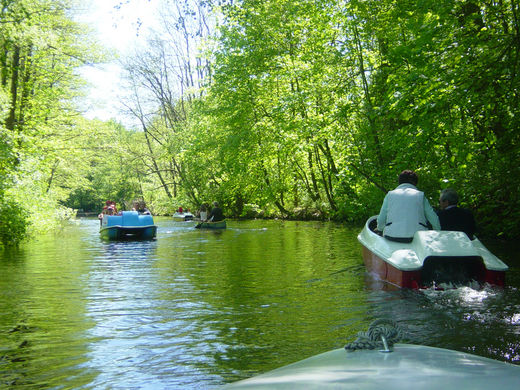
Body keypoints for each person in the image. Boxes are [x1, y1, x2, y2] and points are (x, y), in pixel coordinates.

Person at [377, 170, 440, 242]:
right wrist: (438, 231)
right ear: (415, 183)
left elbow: (381, 218)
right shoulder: (420, 195)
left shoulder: (390, 195)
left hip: (391, 235)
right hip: (418, 237)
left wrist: (380, 229)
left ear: (400, 182)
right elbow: (432, 217)